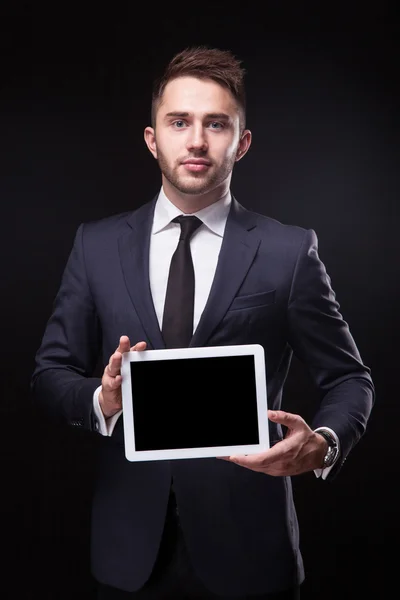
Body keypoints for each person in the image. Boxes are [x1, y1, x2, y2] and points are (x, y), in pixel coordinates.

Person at [31, 46, 375, 599]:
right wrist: (103, 399)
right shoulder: (94, 245)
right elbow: (50, 373)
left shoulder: (288, 252)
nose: (196, 140)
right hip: (127, 554)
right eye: (179, 122)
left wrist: (326, 444)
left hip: (251, 553)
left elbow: (350, 379)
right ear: (153, 139)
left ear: (241, 142)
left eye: (216, 124)